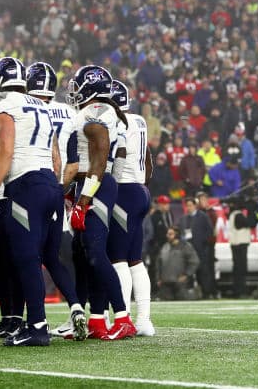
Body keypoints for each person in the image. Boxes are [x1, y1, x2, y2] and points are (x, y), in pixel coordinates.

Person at [65, 65, 136, 340]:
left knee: (95, 253)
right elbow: (119, 157)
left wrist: (84, 199)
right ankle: (96, 319)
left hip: (94, 185)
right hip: (99, 184)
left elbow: (99, 157)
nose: (74, 91)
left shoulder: (94, 113)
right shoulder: (111, 112)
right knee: (84, 254)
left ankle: (122, 316)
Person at [22, 61, 90, 341]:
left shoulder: (25, 109)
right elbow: (73, 163)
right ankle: (78, 307)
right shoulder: (70, 112)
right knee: (58, 256)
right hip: (61, 190)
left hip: (32, 186)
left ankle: (29, 321)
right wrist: (60, 190)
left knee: (26, 256)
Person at [108, 80, 155, 336]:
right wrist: (144, 185)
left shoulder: (118, 122)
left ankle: (122, 317)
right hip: (140, 190)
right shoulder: (139, 120)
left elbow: (121, 153)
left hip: (124, 191)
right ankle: (144, 320)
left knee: (118, 259)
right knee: (136, 260)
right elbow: (148, 158)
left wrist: (110, 185)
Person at [180, 196, 215, 297]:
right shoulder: (184, 218)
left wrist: (203, 242)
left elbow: (209, 231)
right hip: (189, 250)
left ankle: (206, 293)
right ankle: (190, 294)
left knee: (203, 272)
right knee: (189, 272)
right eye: (187, 206)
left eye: (190, 205)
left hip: (200, 249)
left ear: (195, 206)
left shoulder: (203, 216)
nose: (189, 207)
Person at [156, 227, 199, 300]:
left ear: (177, 235)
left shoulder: (185, 246)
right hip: (165, 284)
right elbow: (158, 264)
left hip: (180, 284)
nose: (167, 235)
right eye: (167, 234)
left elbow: (194, 262)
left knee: (183, 302)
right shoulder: (165, 247)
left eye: (170, 234)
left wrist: (186, 274)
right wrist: (158, 278)